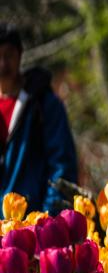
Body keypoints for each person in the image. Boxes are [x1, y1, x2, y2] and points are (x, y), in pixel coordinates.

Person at [0, 24, 77, 213]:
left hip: (34, 223)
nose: (2, 64)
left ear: (20, 55)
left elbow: (62, 166)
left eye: (8, 55)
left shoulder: (44, 104)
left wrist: (47, 219)